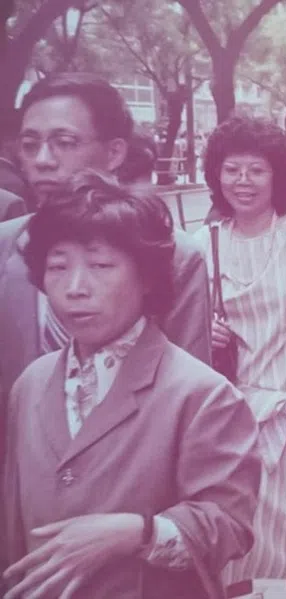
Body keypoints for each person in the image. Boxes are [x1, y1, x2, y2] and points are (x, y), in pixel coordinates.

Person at [3, 171, 261, 599]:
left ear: (147, 278)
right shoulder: (30, 384)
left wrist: (137, 533)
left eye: (101, 265)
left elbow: (230, 527)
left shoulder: (201, 395)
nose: (75, 288)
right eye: (57, 267)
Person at [0, 74, 212, 553]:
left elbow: (192, 407)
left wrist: (150, 533)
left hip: (133, 517)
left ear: (114, 153)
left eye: (64, 142)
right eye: (30, 144)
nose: (43, 160)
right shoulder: (5, 247)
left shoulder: (174, 255)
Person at [195, 116, 286, 599]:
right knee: (233, 537)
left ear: (277, 176)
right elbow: (176, 328)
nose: (243, 181)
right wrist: (205, 330)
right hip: (230, 415)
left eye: (255, 170)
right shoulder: (205, 245)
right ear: (217, 175)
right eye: (232, 169)